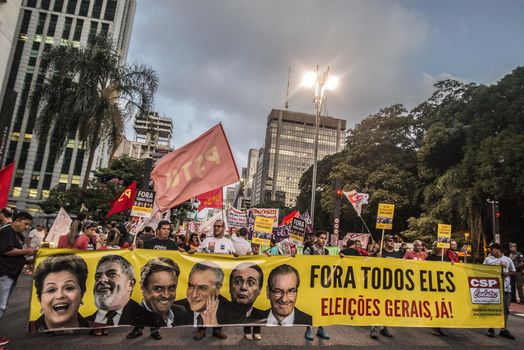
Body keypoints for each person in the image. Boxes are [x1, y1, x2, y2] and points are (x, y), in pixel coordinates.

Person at [127, 258, 188, 340]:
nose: (166, 295)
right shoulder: (133, 310)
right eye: (158, 288)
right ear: (142, 287)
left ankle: (155, 331)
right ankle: (138, 329)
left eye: (171, 288)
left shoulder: (181, 311)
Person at [0, 211, 36, 346]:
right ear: (18, 220)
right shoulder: (7, 231)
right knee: (0, 306)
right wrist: (26, 251)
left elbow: (14, 255)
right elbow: (5, 250)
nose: (27, 227)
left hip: (9, 274)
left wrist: (29, 258)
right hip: (4, 274)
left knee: (2, 306)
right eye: (26, 224)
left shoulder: (13, 233)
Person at [29, 254, 91, 331]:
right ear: (39, 299)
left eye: (69, 288)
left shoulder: (99, 328)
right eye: (51, 290)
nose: (60, 295)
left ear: (82, 293)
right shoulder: (28, 330)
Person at [87, 255, 142, 335]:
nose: (101, 280)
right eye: (98, 277)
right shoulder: (83, 323)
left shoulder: (149, 319)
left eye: (112, 274)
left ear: (130, 284)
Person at [175, 261, 227, 340]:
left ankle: (217, 330)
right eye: (191, 286)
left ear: (217, 289)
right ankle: (201, 331)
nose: (194, 295)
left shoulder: (229, 307)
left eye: (202, 288)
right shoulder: (176, 308)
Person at [484, 243, 516, 340]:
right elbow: (482, 270)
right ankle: (491, 328)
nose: (490, 251)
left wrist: (506, 274)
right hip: (493, 289)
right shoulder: (488, 260)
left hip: (506, 289)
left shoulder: (508, 260)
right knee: (493, 308)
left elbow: (514, 271)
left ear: (497, 249)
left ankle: (503, 329)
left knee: (505, 309)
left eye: (491, 249)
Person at [302, 231, 329, 340]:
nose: (323, 240)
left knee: (322, 306)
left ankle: (320, 329)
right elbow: (303, 264)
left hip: (321, 284)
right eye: (321, 238)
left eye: (325, 238)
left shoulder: (326, 252)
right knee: (310, 307)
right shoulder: (309, 250)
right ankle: (308, 329)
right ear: (317, 238)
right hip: (310, 283)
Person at [370, 234, 398, 339]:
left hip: (391, 286)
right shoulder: (379, 253)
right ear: (385, 242)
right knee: (376, 307)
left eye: (393, 241)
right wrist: (376, 258)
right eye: (390, 240)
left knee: (387, 308)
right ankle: (373, 329)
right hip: (379, 285)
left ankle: (384, 328)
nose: (392, 242)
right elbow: (367, 264)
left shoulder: (397, 254)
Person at [229, 262, 265, 340]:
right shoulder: (218, 311)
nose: (243, 287)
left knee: (254, 315)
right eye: (238, 281)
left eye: (251, 283)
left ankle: (256, 332)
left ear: (259, 289)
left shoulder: (262, 311)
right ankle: (247, 332)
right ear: (229, 287)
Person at [425, 243, 451, 336]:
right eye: (434, 246)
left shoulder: (447, 259)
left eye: (436, 245)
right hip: (433, 285)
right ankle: (435, 325)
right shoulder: (430, 258)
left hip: (444, 286)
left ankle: (438, 325)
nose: (434, 247)